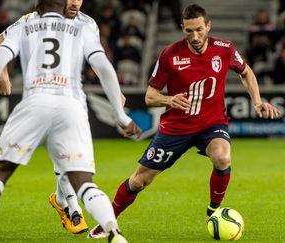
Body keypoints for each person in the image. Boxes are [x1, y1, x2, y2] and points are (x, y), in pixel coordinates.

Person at [88, 4, 282, 239]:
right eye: (189, 31)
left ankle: (213, 211)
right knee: (139, 181)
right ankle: (107, 221)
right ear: (182, 28)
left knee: (222, 156)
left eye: (199, 29)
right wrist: (170, 99)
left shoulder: (224, 49)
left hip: (212, 123)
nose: (195, 36)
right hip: (175, 129)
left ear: (208, 26)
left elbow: (246, 72)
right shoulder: (170, 54)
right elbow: (150, 96)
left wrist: (257, 101)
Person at [0, 0, 141, 242]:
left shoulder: (31, 25)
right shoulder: (81, 28)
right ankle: (112, 231)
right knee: (84, 179)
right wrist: (119, 112)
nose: (75, 2)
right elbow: (103, 65)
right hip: (71, 103)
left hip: (34, 102)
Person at [0, 0, 102, 234]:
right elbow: (0, 39)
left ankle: (62, 201)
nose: (74, 2)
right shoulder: (33, 19)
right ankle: (74, 209)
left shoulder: (89, 24)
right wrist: (3, 74)